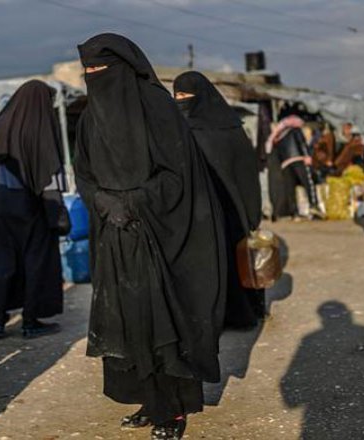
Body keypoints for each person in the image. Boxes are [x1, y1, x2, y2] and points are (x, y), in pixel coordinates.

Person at [74, 33, 226, 440]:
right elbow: (83, 173)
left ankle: (173, 409)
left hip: (160, 234)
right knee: (128, 323)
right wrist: (103, 202)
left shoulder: (158, 108)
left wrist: (136, 202)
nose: (93, 76)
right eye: (87, 70)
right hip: (113, 236)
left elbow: (178, 175)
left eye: (100, 69)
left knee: (164, 324)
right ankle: (148, 399)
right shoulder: (90, 118)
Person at [173, 71, 264, 329]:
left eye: (186, 95)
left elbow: (246, 173)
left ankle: (242, 314)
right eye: (177, 96)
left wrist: (251, 212)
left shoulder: (230, 129)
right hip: (198, 212)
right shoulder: (178, 130)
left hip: (230, 209)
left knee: (235, 262)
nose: (181, 101)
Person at [0, 80, 66, 339]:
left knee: (3, 261)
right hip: (33, 204)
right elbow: (50, 173)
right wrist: (58, 213)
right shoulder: (39, 126)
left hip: (1, 204)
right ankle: (29, 322)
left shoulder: (2, 125)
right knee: (35, 262)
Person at [265, 115, 323, 220]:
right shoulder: (296, 131)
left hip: (286, 164)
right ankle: (314, 206)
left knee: (290, 188)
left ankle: (294, 212)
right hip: (298, 158)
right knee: (308, 182)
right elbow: (302, 144)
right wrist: (307, 157)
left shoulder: (279, 136)